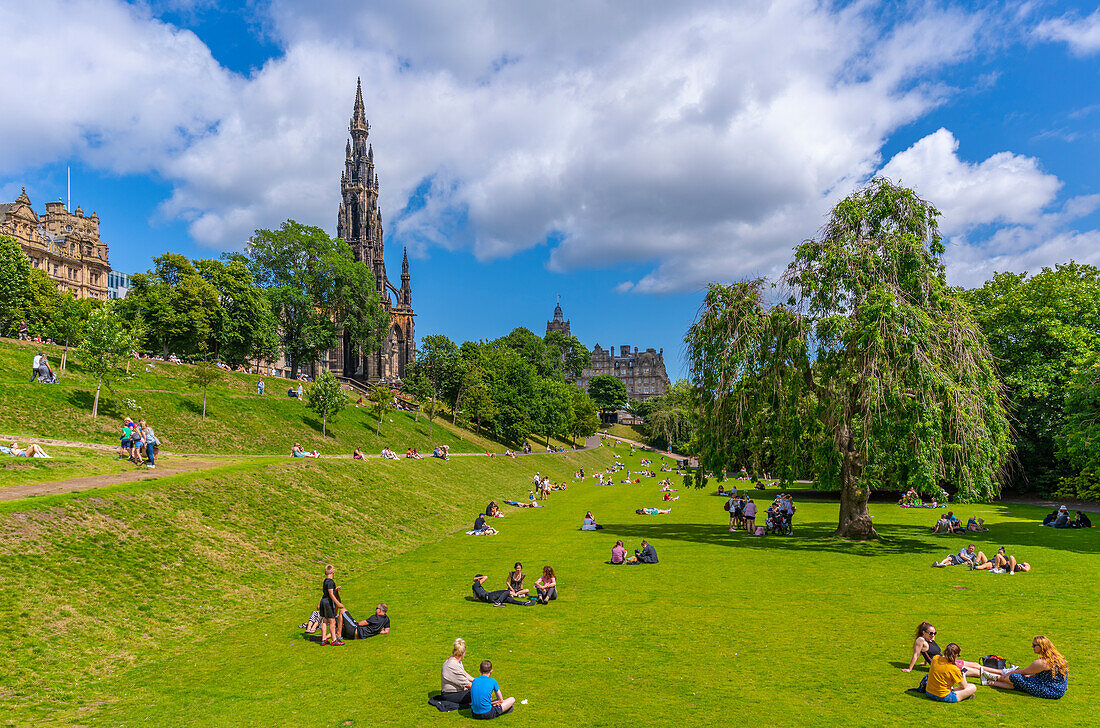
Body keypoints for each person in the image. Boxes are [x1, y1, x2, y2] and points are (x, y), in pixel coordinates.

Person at [981, 635, 1068, 699]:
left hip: (1049, 690)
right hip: (1057, 689)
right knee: (1021, 683)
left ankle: (994, 678)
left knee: (1014, 677)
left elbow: (1023, 672)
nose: (1032, 647)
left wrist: (1006, 675)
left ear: (1042, 647)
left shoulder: (1042, 662)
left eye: (1034, 645)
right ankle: (988, 682)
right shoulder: (1059, 659)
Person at [902, 622, 984, 673]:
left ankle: (996, 672)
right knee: (974, 671)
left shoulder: (930, 639)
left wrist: (925, 663)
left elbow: (928, 651)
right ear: (924, 632)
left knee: (975, 664)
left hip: (945, 660)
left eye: (934, 633)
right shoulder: (920, 640)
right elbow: (916, 654)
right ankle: (995, 675)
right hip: (942, 665)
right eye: (931, 633)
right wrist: (910, 669)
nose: (933, 635)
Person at [440, 638, 476, 706]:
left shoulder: (456, 660)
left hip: (457, 691)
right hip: (450, 694)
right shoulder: (453, 665)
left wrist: (476, 680)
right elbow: (467, 684)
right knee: (479, 695)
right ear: (464, 653)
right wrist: (483, 688)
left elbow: (464, 674)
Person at [319, 565, 344, 646]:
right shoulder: (330, 582)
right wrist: (338, 603)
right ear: (333, 572)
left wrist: (335, 589)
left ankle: (323, 639)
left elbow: (325, 591)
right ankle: (334, 640)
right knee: (332, 621)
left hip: (323, 601)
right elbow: (330, 594)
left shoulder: (325, 581)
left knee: (324, 621)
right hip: (328, 603)